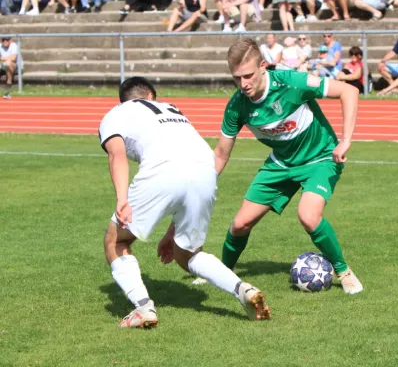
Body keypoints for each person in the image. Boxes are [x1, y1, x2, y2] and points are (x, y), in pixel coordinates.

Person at [99, 77, 271, 328]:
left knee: (116, 240)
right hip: (206, 169)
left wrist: (122, 199)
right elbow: (184, 175)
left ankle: (143, 307)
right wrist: (173, 230)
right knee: (187, 253)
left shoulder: (116, 113)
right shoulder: (172, 109)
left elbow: (117, 154)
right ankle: (243, 289)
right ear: (152, 96)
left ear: (124, 100)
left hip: (163, 169)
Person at [214, 38, 363, 295]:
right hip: (281, 163)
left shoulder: (291, 82)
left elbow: (350, 91)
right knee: (239, 225)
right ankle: (220, 274)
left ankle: (344, 271)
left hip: (321, 158)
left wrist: (345, 140)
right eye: (236, 78)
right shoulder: (237, 105)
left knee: (308, 216)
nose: (243, 84)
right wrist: (202, 186)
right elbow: (220, 154)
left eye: (248, 75)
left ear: (263, 66)